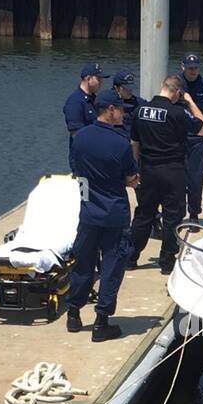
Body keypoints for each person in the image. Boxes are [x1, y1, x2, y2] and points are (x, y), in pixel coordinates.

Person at [67, 91, 139, 341]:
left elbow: (76, 170)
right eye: (120, 109)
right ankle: (101, 322)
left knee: (83, 263)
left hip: (88, 212)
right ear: (110, 109)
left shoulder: (81, 137)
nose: (122, 114)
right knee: (111, 266)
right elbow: (131, 178)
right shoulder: (121, 143)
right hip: (114, 214)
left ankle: (73, 314)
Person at [128, 77, 203, 274]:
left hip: (148, 170)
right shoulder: (178, 112)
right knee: (172, 216)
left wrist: (136, 168)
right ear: (178, 92)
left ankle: (131, 256)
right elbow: (202, 127)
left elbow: (134, 142)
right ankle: (167, 262)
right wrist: (189, 101)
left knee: (144, 213)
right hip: (173, 170)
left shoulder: (140, 110)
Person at [180, 52, 203, 220]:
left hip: (197, 138)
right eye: (189, 68)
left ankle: (194, 212)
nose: (193, 71)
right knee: (177, 176)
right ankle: (178, 212)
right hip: (178, 136)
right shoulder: (176, 85)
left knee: (195, 177)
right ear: (183, 67)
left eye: (195, 68)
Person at [63, 63, 109, 167]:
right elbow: (76, 135)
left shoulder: (94, 99)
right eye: (98, 79)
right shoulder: (75, 102)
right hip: (84, 160)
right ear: (88, 79)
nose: (101, 82)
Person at [112, 69, 147, 139]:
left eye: (131, 88)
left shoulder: (139, 103)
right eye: (126, 88)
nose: (130, 91)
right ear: (117, 88)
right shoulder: (106, 101)